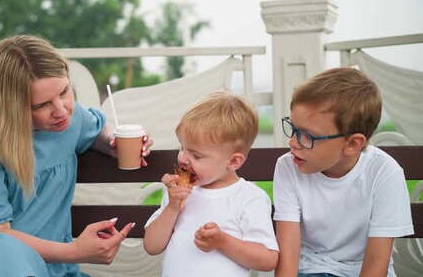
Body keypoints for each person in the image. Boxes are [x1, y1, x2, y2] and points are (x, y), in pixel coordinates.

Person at [0, 35, 153, 277]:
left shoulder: (69, 118)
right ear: (9, 105)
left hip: (41, 265)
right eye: (40, 105)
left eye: (65, 91)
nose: (61, 110)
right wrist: (75, 251)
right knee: (3, 251)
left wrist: (112, 143)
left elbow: (96, 128)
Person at [273, 68, 414, 277]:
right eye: (293, 128)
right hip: (308, 269)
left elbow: (377, 261)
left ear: (352, 144)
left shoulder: (385, 173)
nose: (292, 142)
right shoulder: (288, 167)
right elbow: (289, 250)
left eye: (307, 136)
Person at [143, 92, 279, 276]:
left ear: (233, 162)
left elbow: (267, 260)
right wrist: (172, 208)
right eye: (182, 148)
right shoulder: (178, 193)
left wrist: (222, 242)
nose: (182, 158)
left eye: (196, 155)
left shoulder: (249, 198)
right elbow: (152, 246)